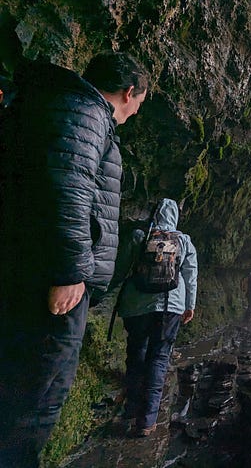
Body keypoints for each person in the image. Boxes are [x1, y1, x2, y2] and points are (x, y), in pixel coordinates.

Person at [0, 51, 149, 466]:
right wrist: (70, 271)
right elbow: (67, 188)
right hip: (56, 283)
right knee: (33, 398)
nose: (135, 112)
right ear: (129, 91)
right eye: (139, 103)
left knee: (39, 392)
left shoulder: (74, 109)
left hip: (48, 274)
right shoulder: (86, 113)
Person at [117, 198, 198, 437]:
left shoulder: (140, 237)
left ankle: (131, 407)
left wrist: (105, 292)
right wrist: (189, 305)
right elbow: (190, 276)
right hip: (170, 307)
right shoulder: (183, 241)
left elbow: (121, 268)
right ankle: (147, 421)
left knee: (136, 353)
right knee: (159, 358)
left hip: (137, 306)